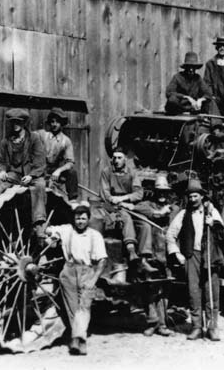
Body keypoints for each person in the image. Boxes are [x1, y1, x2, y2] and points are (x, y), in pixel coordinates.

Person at [166, 179, 224, 341]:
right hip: (192, 256)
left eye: (195, 196)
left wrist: (212, 223)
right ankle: (197, 327)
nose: (193, 199)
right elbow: (170, 235)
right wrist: (176, 253)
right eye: (190, 196)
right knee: (193, 293)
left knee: (211, 292)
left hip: (210, 256)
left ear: (201, 196)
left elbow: (223, 234)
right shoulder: (183, 214)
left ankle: (212, 328)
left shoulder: (211, 211)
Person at [44, 205, 107, 355]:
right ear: (74, 218)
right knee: (73, 308)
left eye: (83, 218)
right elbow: (48, 229)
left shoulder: (95, 235)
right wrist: (51, 237)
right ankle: (78, 341)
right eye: (77, 218)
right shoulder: (66, 229)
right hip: (69, 271)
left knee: (84, 307)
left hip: (87, 271)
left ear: (88, 219)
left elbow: (103, 260)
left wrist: (94, 279)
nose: (80, 221)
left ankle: (79, 339)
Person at [134, 175, 179, 337]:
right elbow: (136, 209)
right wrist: (157, 213)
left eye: (164, 192)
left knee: (165, 290)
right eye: (159, 191)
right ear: (154, 192)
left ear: (168, 194)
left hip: (167, 254)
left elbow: (177, 224)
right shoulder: (147, 205)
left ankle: (163, 324)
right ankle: (152, 323)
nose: (161, 195)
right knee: (150, 288)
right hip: (152, 254)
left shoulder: (174, 209)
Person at [99, 148, 157, 274]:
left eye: (119, 158)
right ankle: (131, 251)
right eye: (114, 158)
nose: (116, 160)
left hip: (128, 204)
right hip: (113, 207)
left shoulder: (132, 173)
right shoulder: (107, 172)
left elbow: (138, 194)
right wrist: (114, 200)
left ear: (125, 159)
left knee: (145, 223)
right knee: (126, 218)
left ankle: (144, 259)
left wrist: (124, 199)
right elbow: (105, 193)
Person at [36, 107, 79, 201]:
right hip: (40, 168)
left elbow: (70, 162)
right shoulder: (42, 134)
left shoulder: (66, 141)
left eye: (57, 122)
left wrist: (59, 171)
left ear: (62, 123)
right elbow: (28, 137)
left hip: (54, 171)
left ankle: (73, 200)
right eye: (52, 121)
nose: (54, 124)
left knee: (72, 173)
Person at [165, 51, 218, 116]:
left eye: (193, 67)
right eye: (189, 67)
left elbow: (208, 93)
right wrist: (187, 97)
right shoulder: (177, 77)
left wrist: (200, 100)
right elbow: (169, 92)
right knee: (172, 100)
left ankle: (217, 124)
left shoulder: (198, 78)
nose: (191, 70)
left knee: (211, 102)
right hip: (179, 106)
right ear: (185, 67)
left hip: (192, 108)